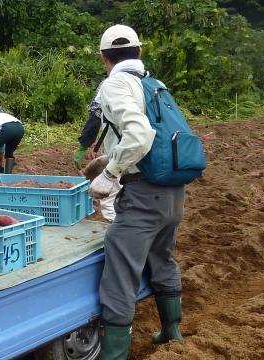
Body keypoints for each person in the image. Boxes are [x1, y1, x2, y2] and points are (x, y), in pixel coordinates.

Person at [89, 25, 185, 359]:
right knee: (163, 258)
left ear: (104, 58)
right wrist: (109, 158)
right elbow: (152, 138)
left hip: (142, 194)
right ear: (139, 53)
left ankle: (113, 355)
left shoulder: (114, 83)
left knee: (119, 274)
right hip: (172, 192)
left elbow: (140, 135)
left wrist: (111, 174)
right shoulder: (153, 83)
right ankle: (172, 332)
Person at [73, 81, 119, 222]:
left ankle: (112, 229)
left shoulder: (109, 84)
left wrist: (83, 145)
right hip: (150, 150)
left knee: (111, 193)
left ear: (104, 58)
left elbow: (96, 114)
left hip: (120, 149)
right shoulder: (149, 83)